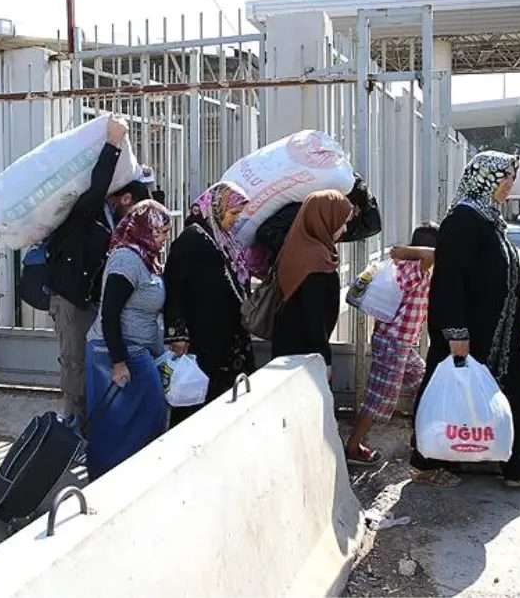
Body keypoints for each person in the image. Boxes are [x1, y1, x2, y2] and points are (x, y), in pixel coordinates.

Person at [409, 151, 520, 489]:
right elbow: (449, 280)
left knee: (513, 386)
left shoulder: (489, 218)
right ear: (482, 178)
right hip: (468, 331)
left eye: (512, 179)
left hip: (498, 332)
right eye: (503, 178)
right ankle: (425, 461)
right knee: (446, 391)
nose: (508, 186)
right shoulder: (463, 220)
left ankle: (518, 465)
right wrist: (456, 331)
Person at [46, 118, 150, 420]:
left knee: (89, 363)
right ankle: (71, 427)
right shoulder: (86, 211)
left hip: (88, 299)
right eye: (134, 209)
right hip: (69, 298)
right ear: (125, 198)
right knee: (74, 362)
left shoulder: (112, 221)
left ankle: (88, 425)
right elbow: (97, 186)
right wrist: (113, 145)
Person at [84, 200, 172, 479]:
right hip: (119, 350)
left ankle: (133, 475)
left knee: (144, 415)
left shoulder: (146, 257)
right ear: (145, 228)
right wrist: (119, 361)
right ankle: (106, 476)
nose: (165, 238)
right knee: (123, 417)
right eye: (161, 231)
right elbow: (109, 314)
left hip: (138, 348)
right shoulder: (127, 259)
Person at [344, 223, 439, 466]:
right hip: (394, 343)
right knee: (378, 397)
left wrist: (404, 251)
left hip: (398, 343)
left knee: (424, 384)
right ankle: (353, 447)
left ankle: (423, 440)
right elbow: (432, 255)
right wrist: (408, 251)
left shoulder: (406, 265)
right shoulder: (416, 266)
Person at [163, 182, 256, 427]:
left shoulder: (225, 239)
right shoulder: (192, 239)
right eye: (233, 213)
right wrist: (177, 334)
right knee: (199, 402)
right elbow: (175, 287)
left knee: (230, 399)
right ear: (216, 208)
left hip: (230, 335)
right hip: (203, 336)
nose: (236, 220)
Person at [270, 190, 354, 381]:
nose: (344, 230)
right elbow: (314, 315)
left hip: (286, 347)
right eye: (342, 222)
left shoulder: (295, 247)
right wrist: (324, 357)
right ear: (325, 219)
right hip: (305, 355)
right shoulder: (316, 261)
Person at [252, 173, 382, 275]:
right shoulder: (302, 210)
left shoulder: (329, 224)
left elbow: (372, 225)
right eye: (351, 210)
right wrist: (304, 249)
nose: (346, 224)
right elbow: (265, 232)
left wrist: (364, 191)